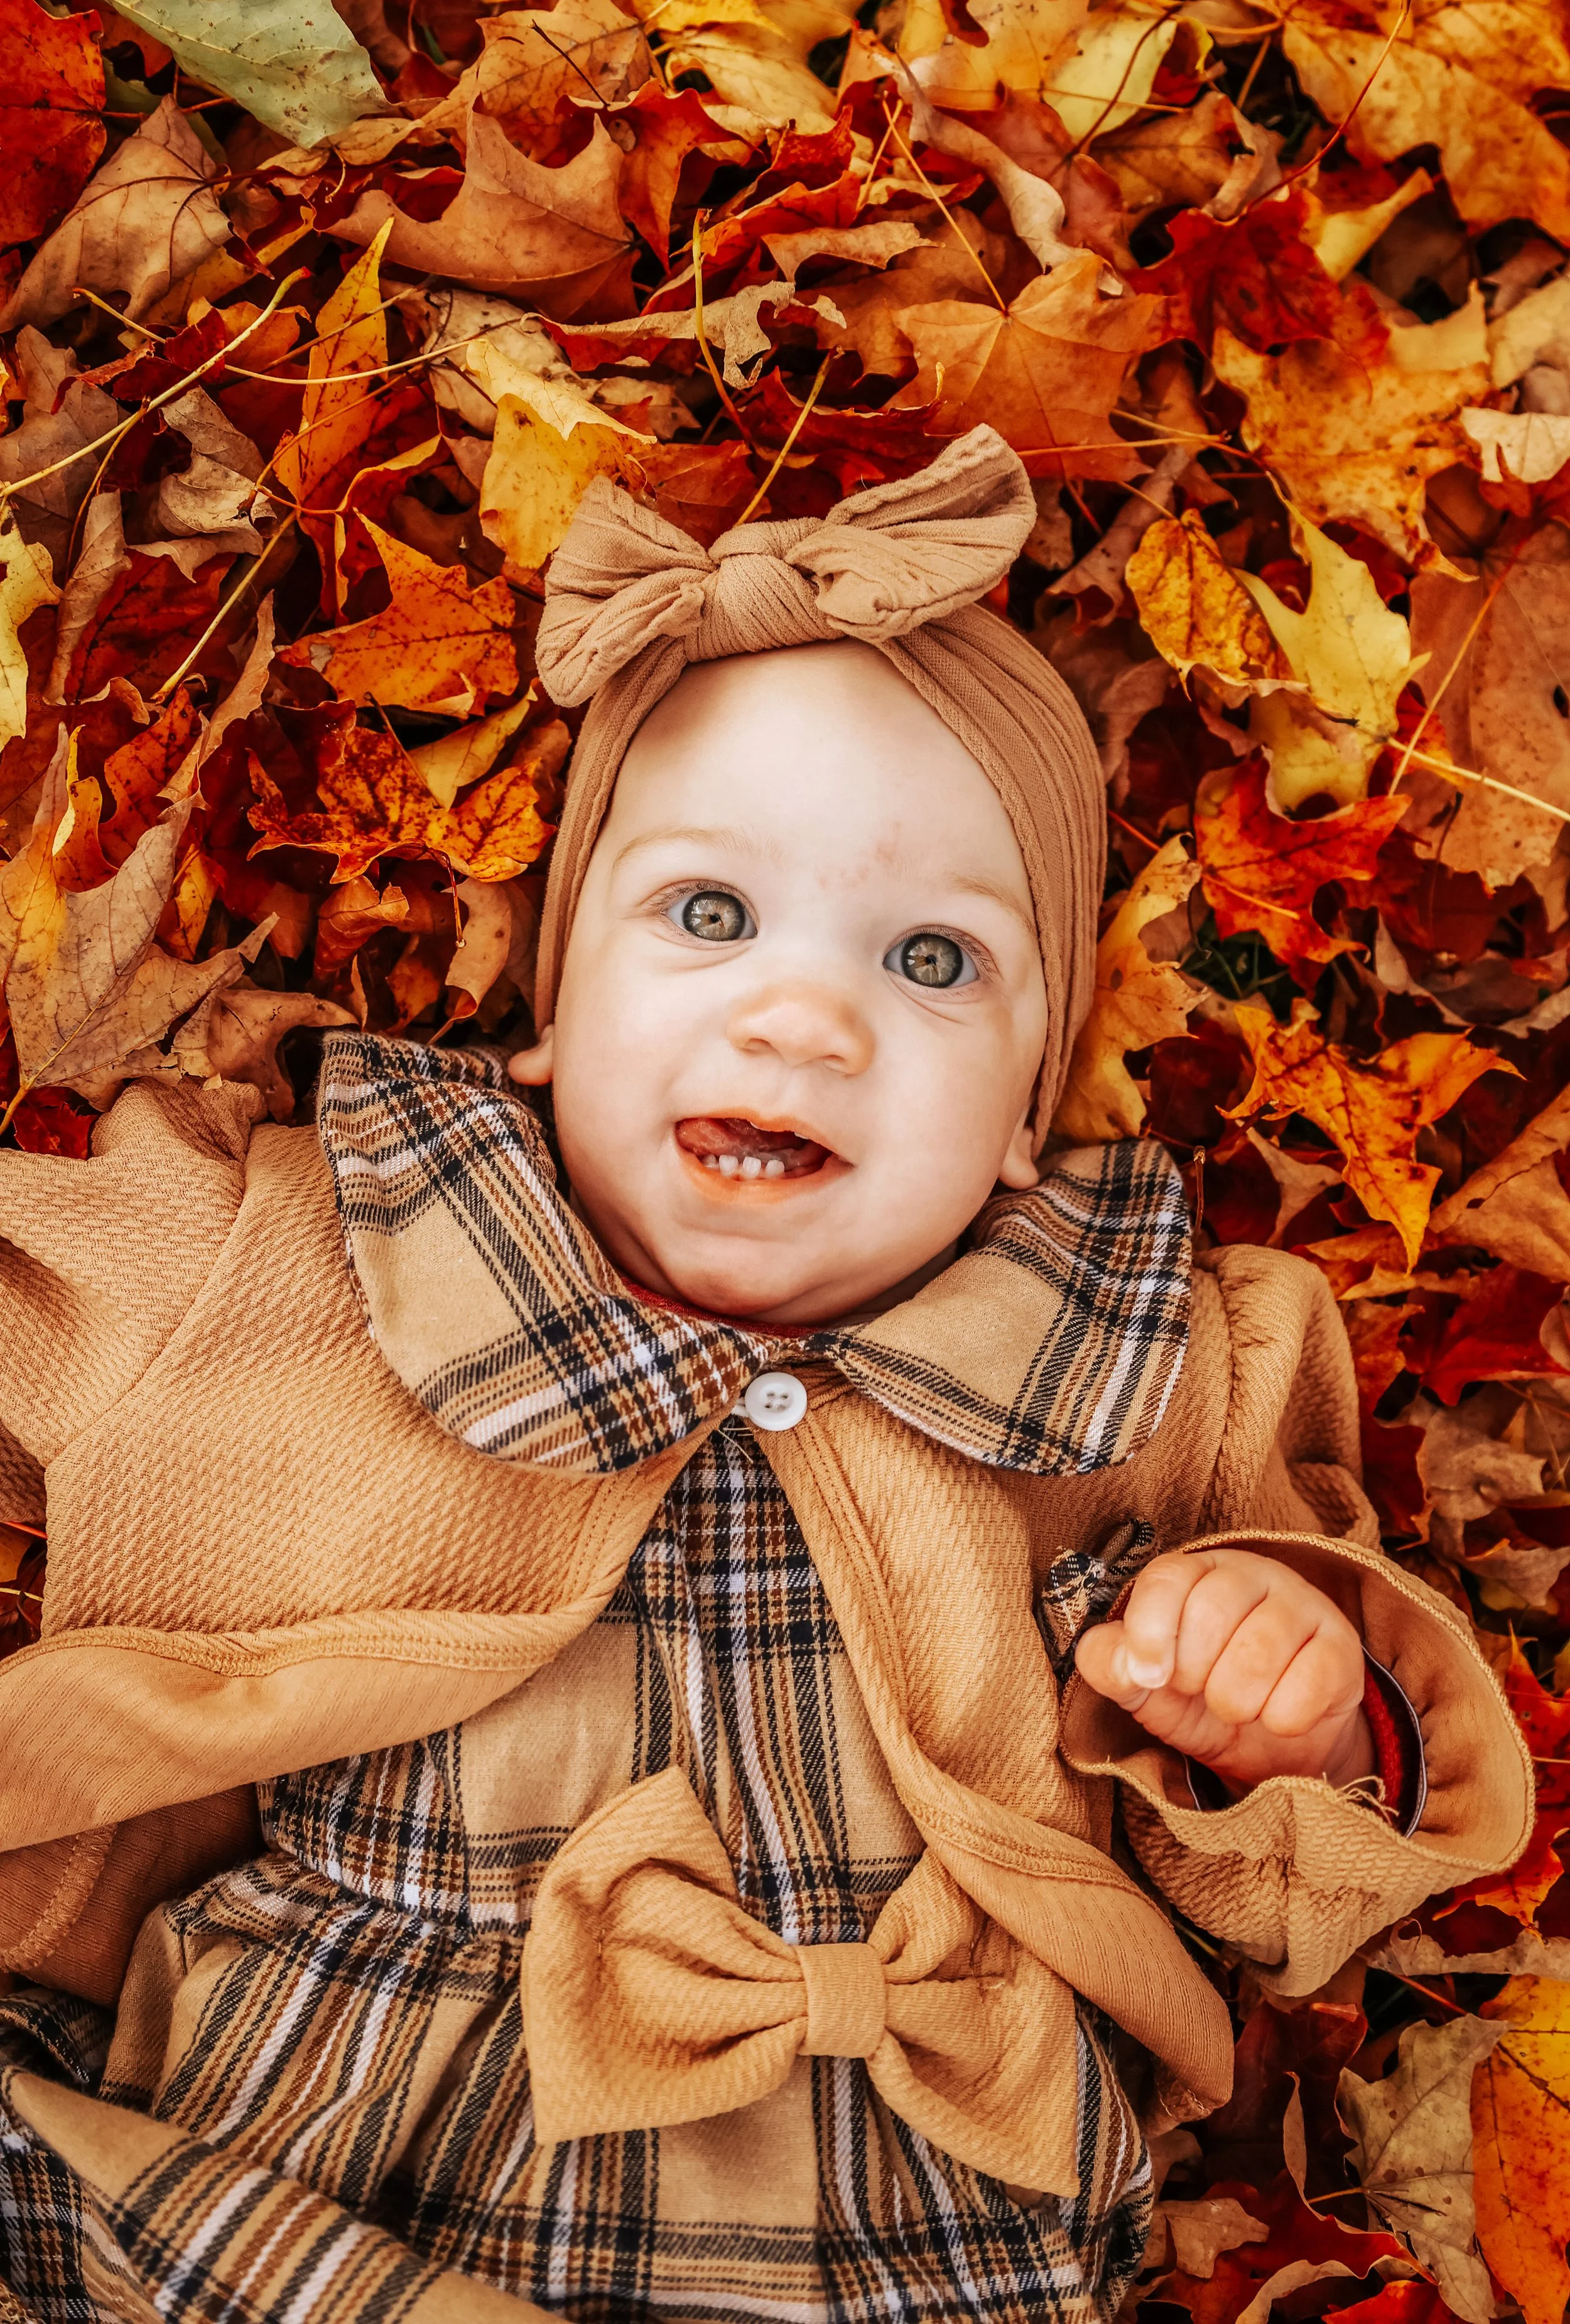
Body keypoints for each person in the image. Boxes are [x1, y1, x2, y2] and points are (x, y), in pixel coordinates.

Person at [0, 427, 1530, 2324]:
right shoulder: (298, 1253)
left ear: (1018, 1130)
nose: (803, 1017)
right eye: (707, 918)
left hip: (932, 2188)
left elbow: (1288, 1908)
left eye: (932, 960)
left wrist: (1287, 1720)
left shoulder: (1151, 1373)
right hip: (336, 2158)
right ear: (556, 1014)